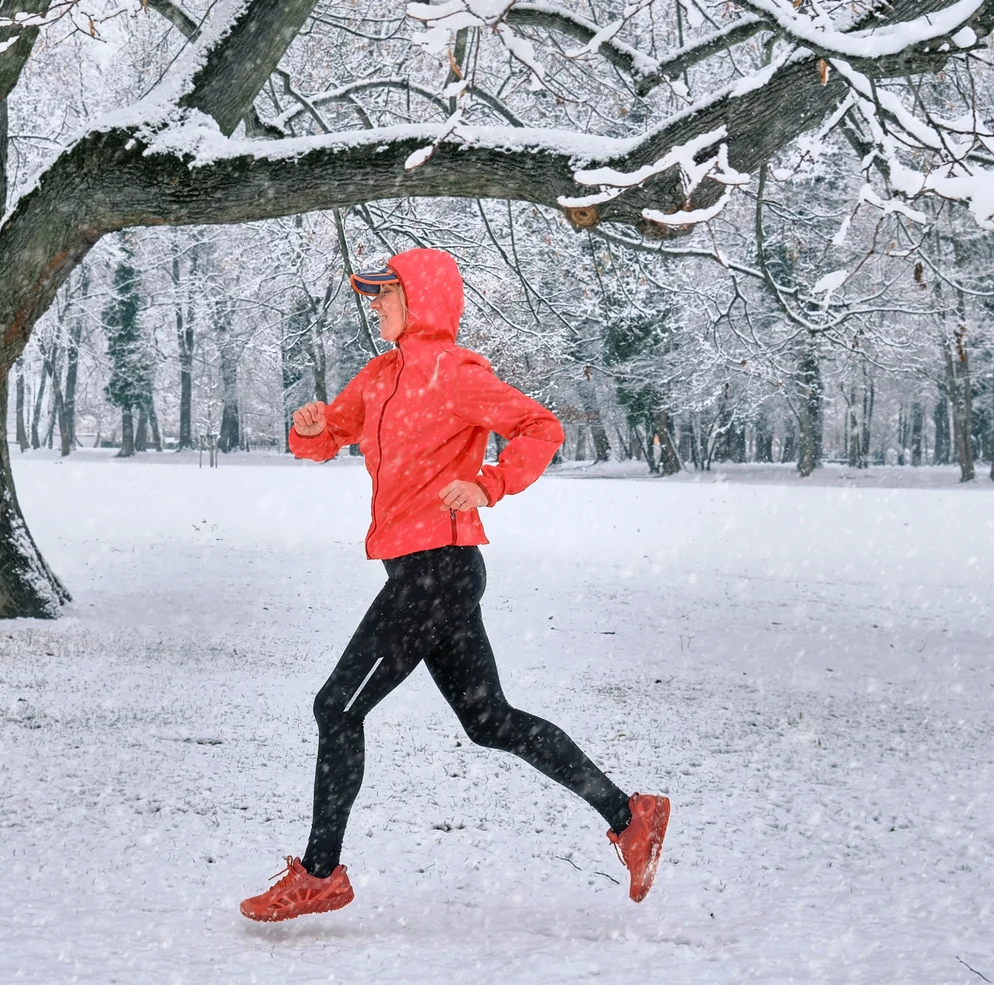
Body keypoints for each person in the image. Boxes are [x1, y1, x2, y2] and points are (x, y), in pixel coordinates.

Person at [238, 248, 670, 923]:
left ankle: (321, 874)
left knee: (336, 707)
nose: (374, 306)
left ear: (422, 299)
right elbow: (337, 431)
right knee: (490, 720)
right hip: (428, 572)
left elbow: (540, 427)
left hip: (437, 571)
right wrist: (312, 428)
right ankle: (630, 813)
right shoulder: (381, 376)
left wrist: (491, 481)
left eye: (385, 295)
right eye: (372, 296)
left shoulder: (456, 372)